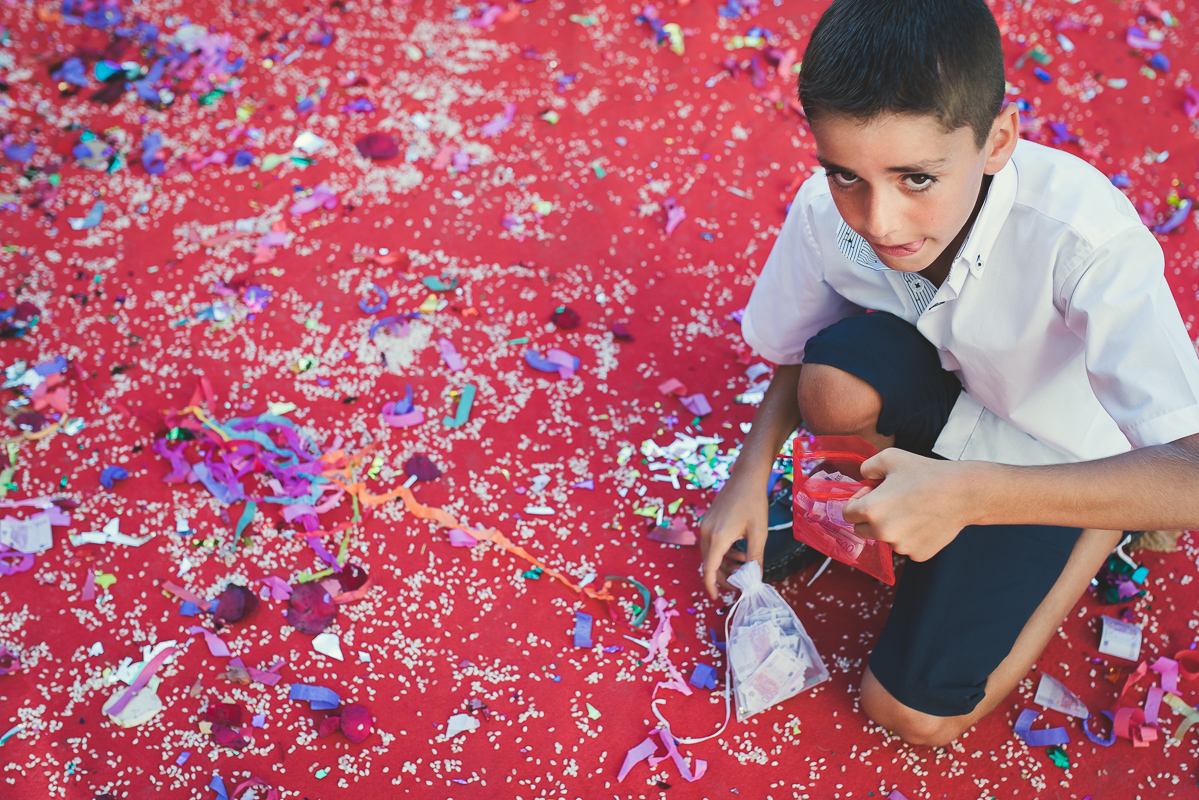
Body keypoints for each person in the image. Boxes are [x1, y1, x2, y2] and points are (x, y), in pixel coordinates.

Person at [699, 0, 1199, 747]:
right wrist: (747, 471)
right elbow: (797, 346)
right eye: (844, 175)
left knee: (917, 717)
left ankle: (1101, 527)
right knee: (828, 385)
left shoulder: (1085, 241)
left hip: (1060, 463)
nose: (880, 222)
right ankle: (908, 523)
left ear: (997, 138)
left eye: (916, 179)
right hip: (949, 401)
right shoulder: (826, 211)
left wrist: (971, 494)